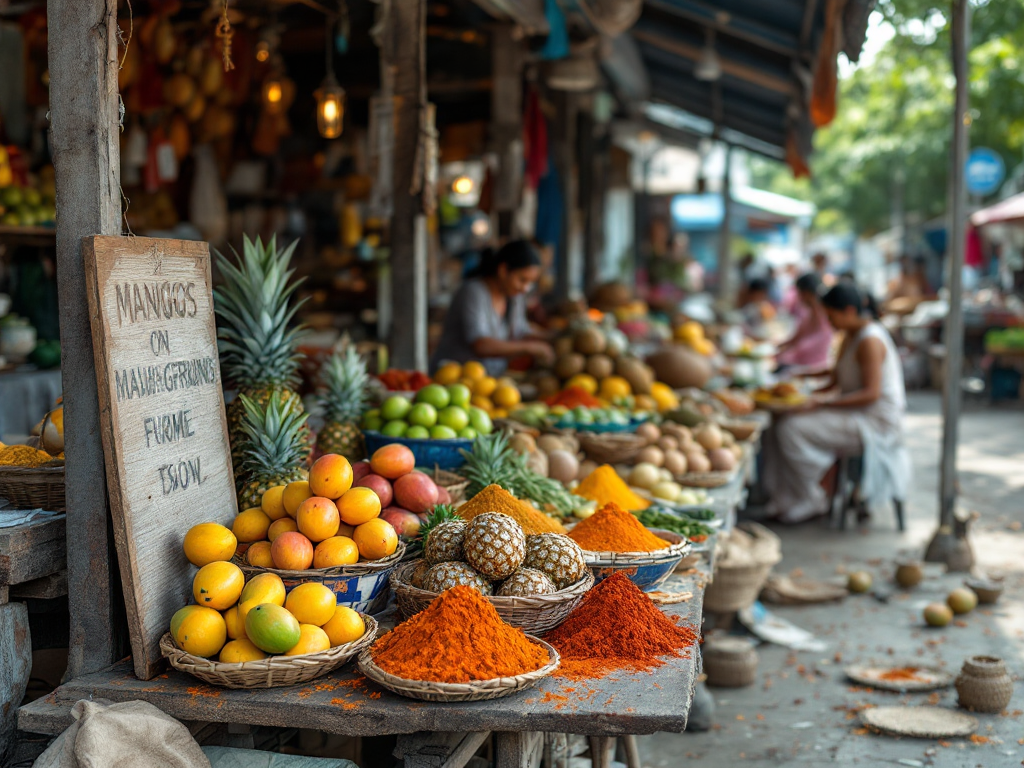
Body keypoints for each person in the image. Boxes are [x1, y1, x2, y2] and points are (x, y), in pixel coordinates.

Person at [762, 282, 910, 524]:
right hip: (856, 414)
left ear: (849, 311)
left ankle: (812, 496)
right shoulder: (850, 335)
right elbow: (835, 378)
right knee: (779, 422)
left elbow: (870, 394)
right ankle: (785, 497)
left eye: (831, 317)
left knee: (791, 429)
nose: (829, 324)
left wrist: (819, 404)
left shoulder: (869, 341)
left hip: (874, 423)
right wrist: (800, 378)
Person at [430, 240, 554, 377]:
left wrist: (553, 337)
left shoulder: (513, 296)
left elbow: (520, 330)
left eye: (530, 283)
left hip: (488, 380)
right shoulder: (473, 292)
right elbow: (481, 345)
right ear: (503, 270)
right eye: (522, 280)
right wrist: (530, 348)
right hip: (454, 379)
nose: (525, 288)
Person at [776, 273, 834, 371]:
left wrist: (782, 352)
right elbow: (795, 339)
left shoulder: (825, 316)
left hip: (811, 370)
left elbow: (805, 347)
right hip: (799, 367)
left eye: (799, 293)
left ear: (806, 293)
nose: (798, 297)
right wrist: (776, 348)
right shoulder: (809, 313)